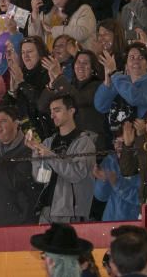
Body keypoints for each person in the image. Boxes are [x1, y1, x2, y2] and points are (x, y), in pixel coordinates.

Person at [26, 95, 97, 223]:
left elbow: (76, 175)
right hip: (47, 210)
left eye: (57, 110)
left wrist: (50, 156)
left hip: (70, 212)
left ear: (71, 111)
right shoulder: (48, 142)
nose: (52, 115)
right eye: (51, 111)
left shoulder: (84, 142)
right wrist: (36, 152)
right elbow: (42, 178)